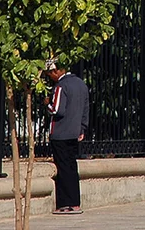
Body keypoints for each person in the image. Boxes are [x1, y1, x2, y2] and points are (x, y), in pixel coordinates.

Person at [44, 59, 89, 215]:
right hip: (74, 132)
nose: (50, 76)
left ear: (57, 71)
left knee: (63, 169)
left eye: (50, 73)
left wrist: (47, 104)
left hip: (61, 133)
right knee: (71, 166)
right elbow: (85, 109)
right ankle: (75, 202)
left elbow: (57, 110)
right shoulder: (81, 84)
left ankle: (65, 203)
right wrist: (82, 128)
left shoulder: (61, 86)